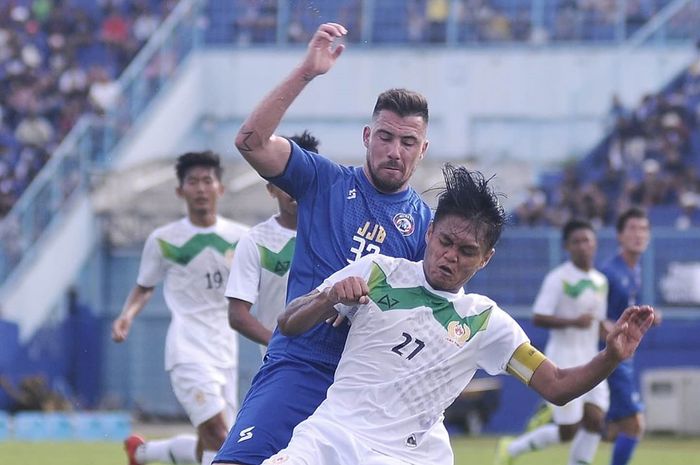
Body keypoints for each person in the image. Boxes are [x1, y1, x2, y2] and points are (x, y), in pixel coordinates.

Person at [261, 165, 655, 465]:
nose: (450, 256)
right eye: (446, 241)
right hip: (332, 438)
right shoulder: (377, 270)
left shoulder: (485, 321)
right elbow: (288, 323)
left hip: (410, 456)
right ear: (430, 233)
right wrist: (328, 297)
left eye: (467, 251)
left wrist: (610, 357)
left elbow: (556, 385)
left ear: (486, 259)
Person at [214, 22, 436, 465]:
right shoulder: (324, 180)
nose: (395, 150)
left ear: (422, 149)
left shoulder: (427, 228)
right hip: (299, 365)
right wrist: (307, 72)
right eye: (386, 137)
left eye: (407, 141)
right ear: (367, 137)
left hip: (366, 392)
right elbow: (250, 142)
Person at [111, 151, 249, 465]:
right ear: (180, 191)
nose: (200, 188)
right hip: (187, 351)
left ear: (220, 189)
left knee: (216, 442)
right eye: (193, 182)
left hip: (226, 350)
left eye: (207, 181)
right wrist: (126, 316)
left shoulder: (242, 238)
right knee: (219, 434)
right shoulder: (164, 240)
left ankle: (144, 453)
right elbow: (144, 287)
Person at [495, 219, 610, 465]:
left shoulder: (601, 281)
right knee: (568, 430)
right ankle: (512, 449)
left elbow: (596, 320)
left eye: (587, 240)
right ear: (567, 246)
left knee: (596, 420)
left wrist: (608, 331)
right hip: (563, 358)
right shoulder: (558, 278)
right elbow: (539, 316)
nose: (582, 246)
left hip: (591, 357)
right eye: (576, 241)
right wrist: (571, 322)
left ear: (595, 244)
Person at [226, 131, 320, 353]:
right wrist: (281, 345)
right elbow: (238, 315)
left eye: (303, 175)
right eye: (286, 178)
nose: (294, 186)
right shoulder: (256, 241)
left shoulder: (339, 232)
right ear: (271, 187)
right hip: (283, 366)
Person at [601, 206, 660, 465]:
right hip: (612, 357)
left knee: (613, 429)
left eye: (644, 229)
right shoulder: (610, 273)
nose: (639, 234)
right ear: (619, 236)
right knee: (635, 424)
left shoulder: (632, 271)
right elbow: (596, 315)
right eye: (633, 229)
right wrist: (611, 330)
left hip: (623, 356)